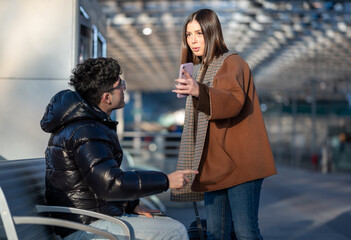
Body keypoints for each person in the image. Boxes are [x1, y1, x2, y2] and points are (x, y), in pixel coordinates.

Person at [40, 57, 197, 240]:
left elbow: (95, 183)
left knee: (164, 223)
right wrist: (166, 181)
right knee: (174, 231)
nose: (124, 87)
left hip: (90, 219)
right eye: (120, 84)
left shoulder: (86, 126)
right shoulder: (86, 131)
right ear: (106, 97)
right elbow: (110, 184)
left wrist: (129, 206)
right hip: (85, 228)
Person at [171, 9, 277, 240]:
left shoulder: (232, 62)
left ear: (212, 32)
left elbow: (233, 102)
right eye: (189, 35)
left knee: (245, 231)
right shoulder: (202, 69)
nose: (193, 40)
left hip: (241, 163)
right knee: (215, 232)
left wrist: (199, 90)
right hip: (214, 165)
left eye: (199, 33)